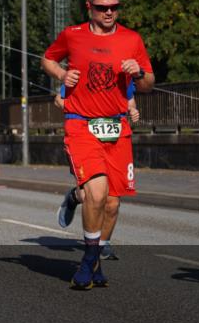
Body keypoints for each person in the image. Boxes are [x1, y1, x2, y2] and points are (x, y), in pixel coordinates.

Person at [42, 0, 154, 289]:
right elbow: (48, 59)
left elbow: (149, 83)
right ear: (89, 7)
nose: (109, 12)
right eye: (103, 7)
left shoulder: (132, 39)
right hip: (81, 125)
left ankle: (94, 256)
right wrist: (62, 75)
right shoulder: (72, 35)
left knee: (112, 204)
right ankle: (90, 260)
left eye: (114, 7)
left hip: (117, 128)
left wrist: (140, 74)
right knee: (97, 192)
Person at [54, 81, 140, 261]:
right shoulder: (83, 70)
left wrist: (132, 111)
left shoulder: (123, 74)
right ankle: (74, 197)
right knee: (91, 197)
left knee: (112, 202)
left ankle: (103, 243)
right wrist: (86, 112)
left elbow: (130, 103)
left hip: (114, 140)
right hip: (85, 138)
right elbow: (59, 100)